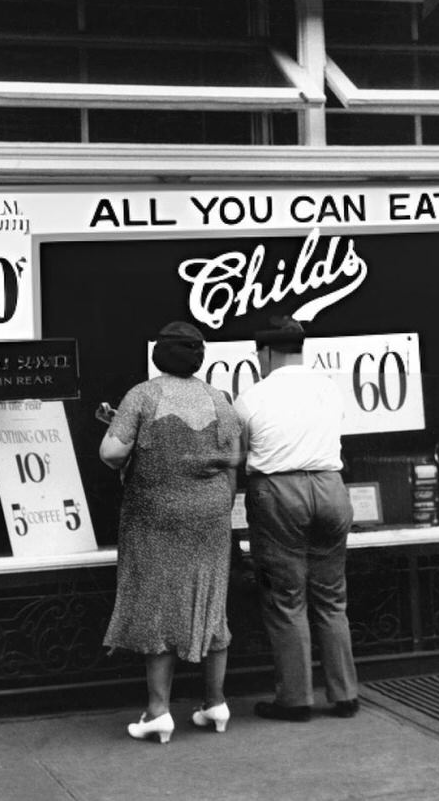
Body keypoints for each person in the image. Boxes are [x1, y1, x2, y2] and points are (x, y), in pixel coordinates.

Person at [100, 320, 243, 743]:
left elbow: (112, 452)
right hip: (212, 515)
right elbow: (233, 455)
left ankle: (158, 711)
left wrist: (122, 431)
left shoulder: (142, 395)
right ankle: (215, 704)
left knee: (158, 604)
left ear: (158, 355)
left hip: (155, 514)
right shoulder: (220, 398)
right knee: (211, 602)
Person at [234, 314, 359, 723]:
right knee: (331, 597)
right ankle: (345, 695)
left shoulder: (252, 397)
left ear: (266, 353)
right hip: (330, 485)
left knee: (287, 599)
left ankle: (296, 699)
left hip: (279, 491)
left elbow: (242, 454)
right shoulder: (328, 387)